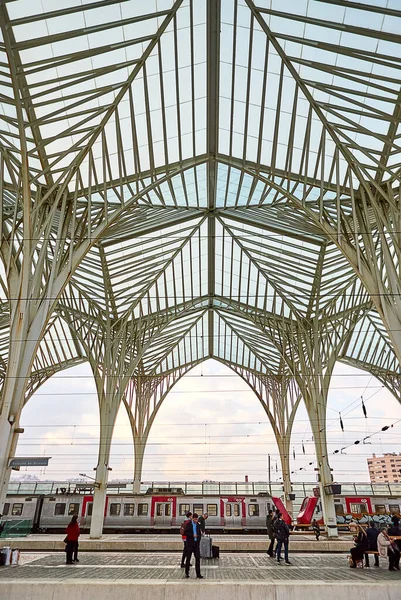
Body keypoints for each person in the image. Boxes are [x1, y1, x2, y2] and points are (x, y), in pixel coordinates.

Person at [184, 512, 203, 578]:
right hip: (190, 544)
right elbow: (185, 533)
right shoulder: (189, 524)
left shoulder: (198, 524)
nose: (196, 520)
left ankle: (198, 574)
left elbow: (199, 534)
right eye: (195, 519)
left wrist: (198, 540)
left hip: (196, 545)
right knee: (188, 558)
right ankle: (187, 572)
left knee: (197, 559)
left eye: (196, 519)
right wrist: (192, 535)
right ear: (193, 519)